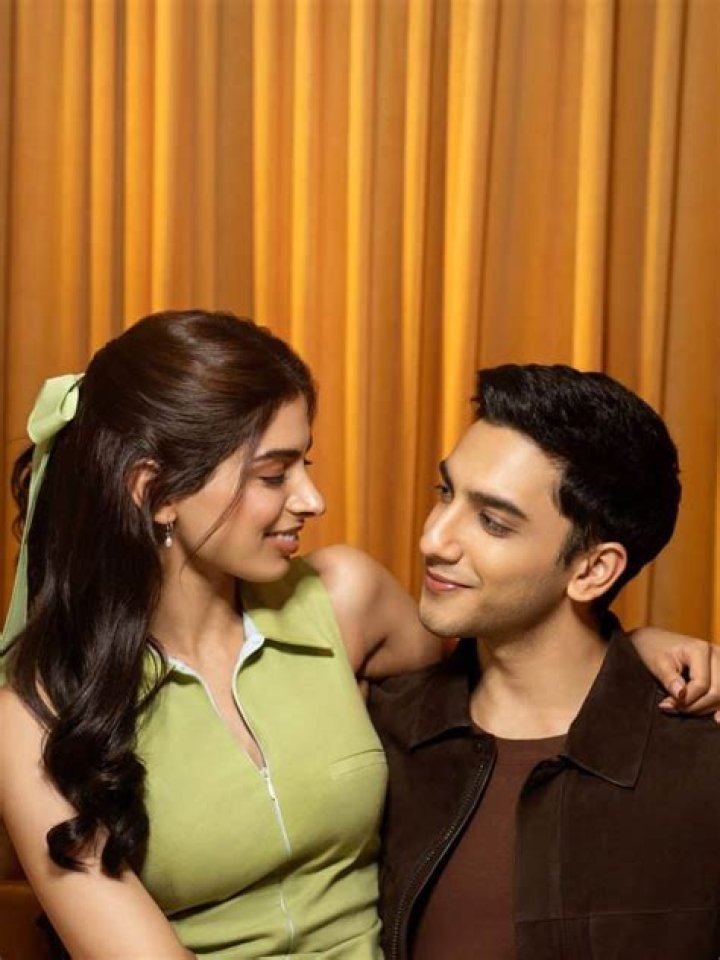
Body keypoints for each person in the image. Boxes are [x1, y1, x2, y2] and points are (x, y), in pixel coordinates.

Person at [0, 313, 715, 960]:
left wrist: (632, 648)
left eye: (305, 464)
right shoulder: (36, 715)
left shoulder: (343, 601)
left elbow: (515, 652)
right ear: (155, 491)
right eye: (274, 474)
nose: (313, 499)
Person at [369, 364, 720, 960]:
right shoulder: (381, 730)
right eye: (445, 493)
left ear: (593, 570)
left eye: (493, 522)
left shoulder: (700, 762)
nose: (433, 539)